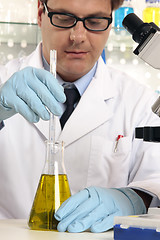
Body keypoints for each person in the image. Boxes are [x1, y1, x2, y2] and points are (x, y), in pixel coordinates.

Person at [0, 0, 160, 233]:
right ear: (40, 14)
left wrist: (132, 199)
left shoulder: (140, 102)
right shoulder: (4, 85)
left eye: (95, 21)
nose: (78, 36)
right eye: (64, 18)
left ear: (110, 22)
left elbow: (154, 182)